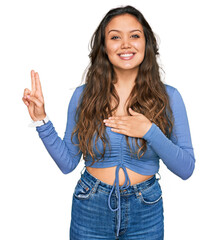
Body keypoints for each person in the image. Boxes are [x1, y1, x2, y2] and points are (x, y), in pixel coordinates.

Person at [22, 5, 195, 240]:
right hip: (90, 205)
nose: (126, 44)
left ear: (147, 43)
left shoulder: (169, 97)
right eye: (115, 37)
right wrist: (41, 119)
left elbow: (186, 169)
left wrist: (149, 131)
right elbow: (67, 163)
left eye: (134, 35)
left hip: (146, 208)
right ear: (104, 47)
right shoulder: (83, 96)